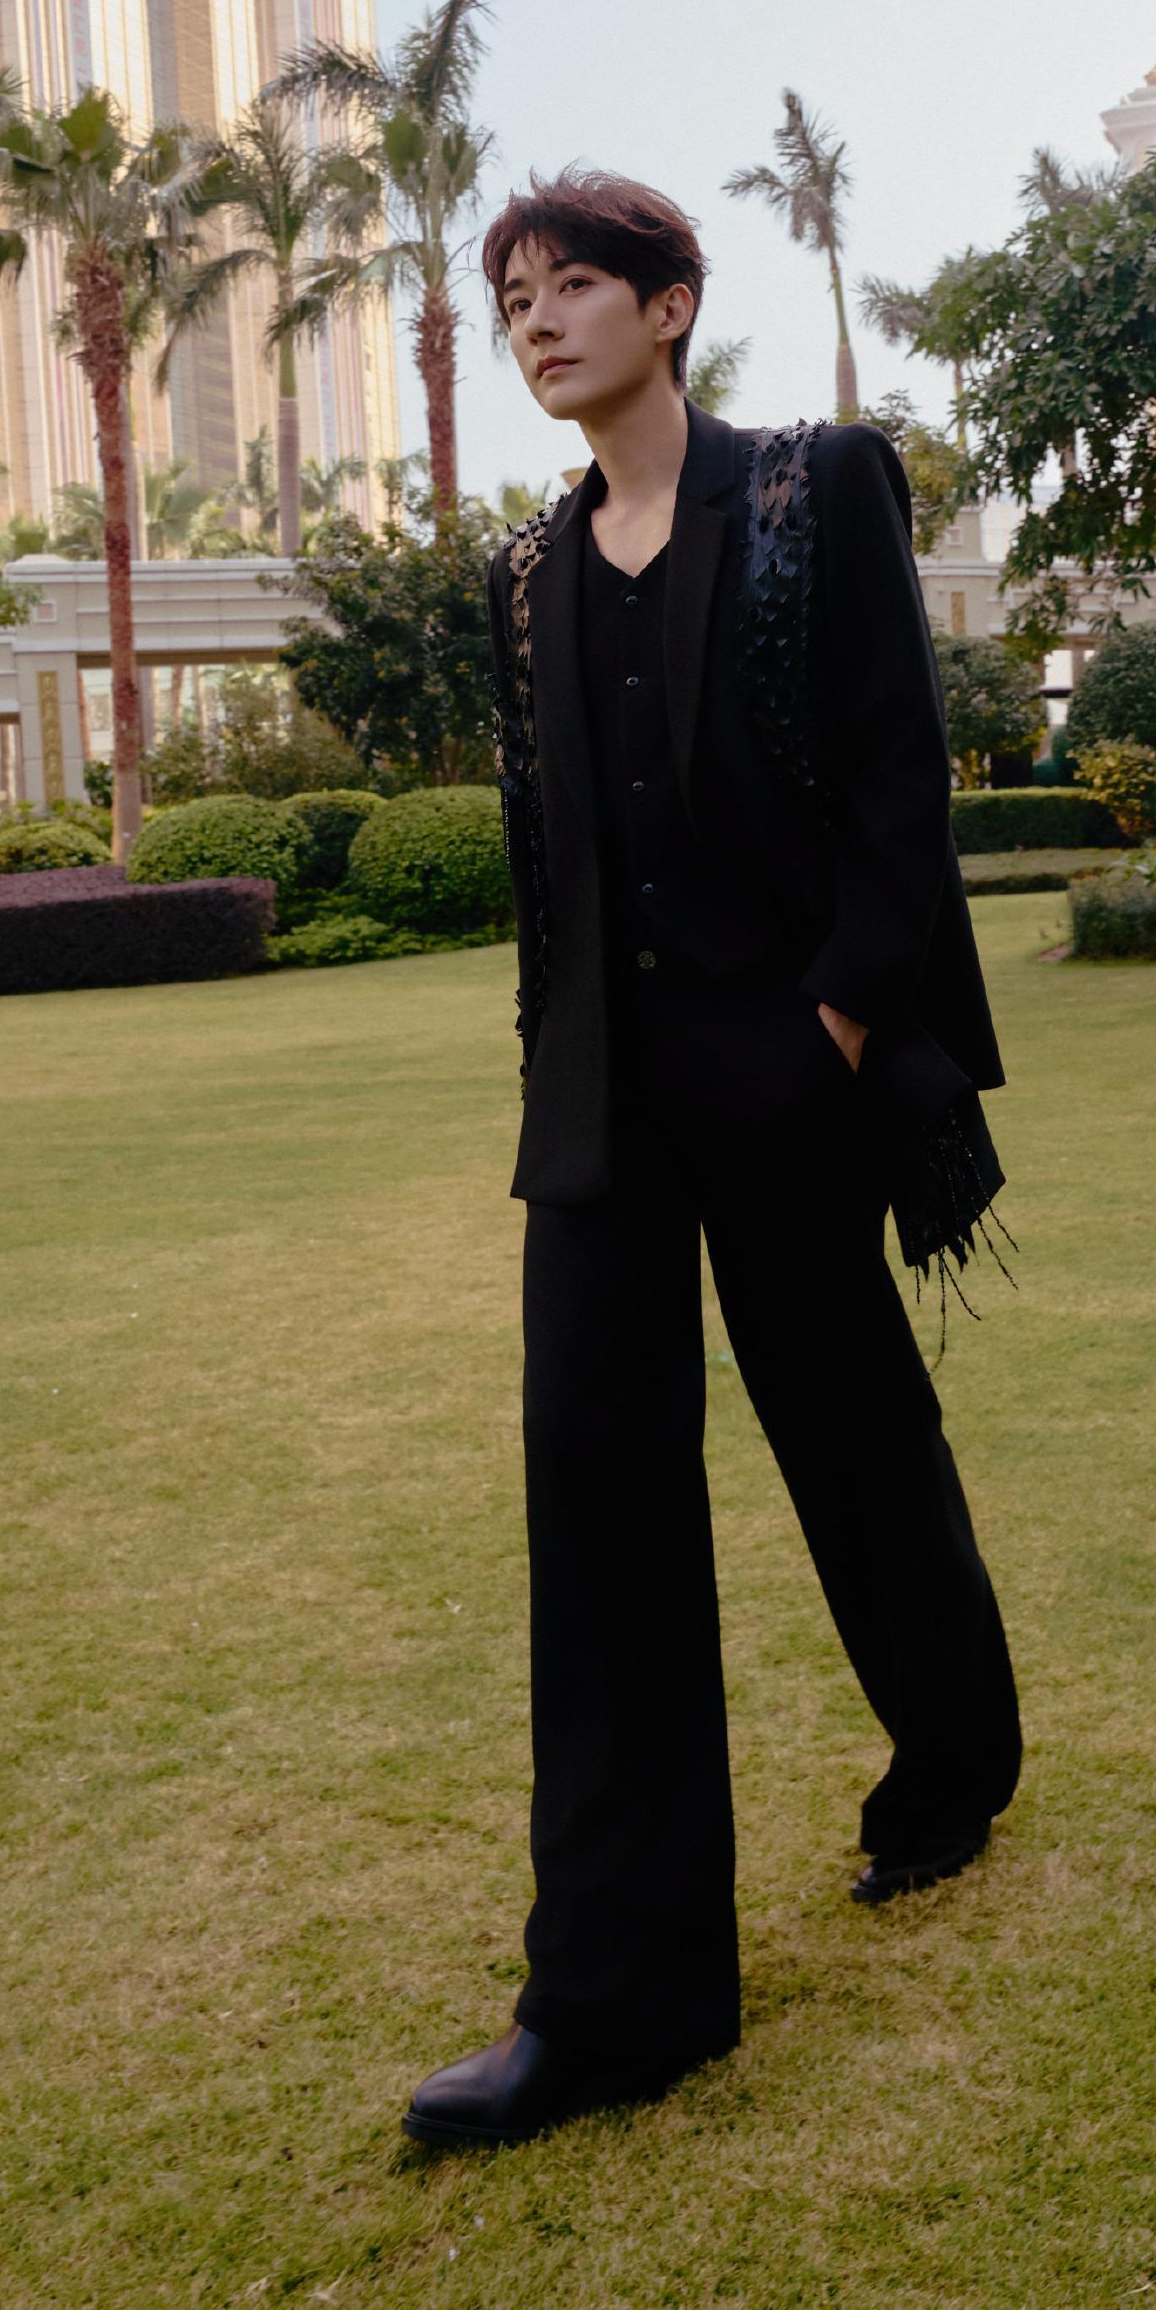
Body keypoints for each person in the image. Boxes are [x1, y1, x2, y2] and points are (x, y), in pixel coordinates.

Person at [402, 168, 1022, 2150]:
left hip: (786, 1059)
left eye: (570, 283)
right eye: (512, 296)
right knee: (593, 1486)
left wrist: (833, 1025)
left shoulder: (808, 490)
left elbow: (899, 781)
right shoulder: (526, 570)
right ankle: (619, 1998)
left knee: (845, 1423)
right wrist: (553, 1067)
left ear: (669, 304)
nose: (536, 319)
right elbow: (549, 852)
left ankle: (955, 1756)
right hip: (605, 1091)